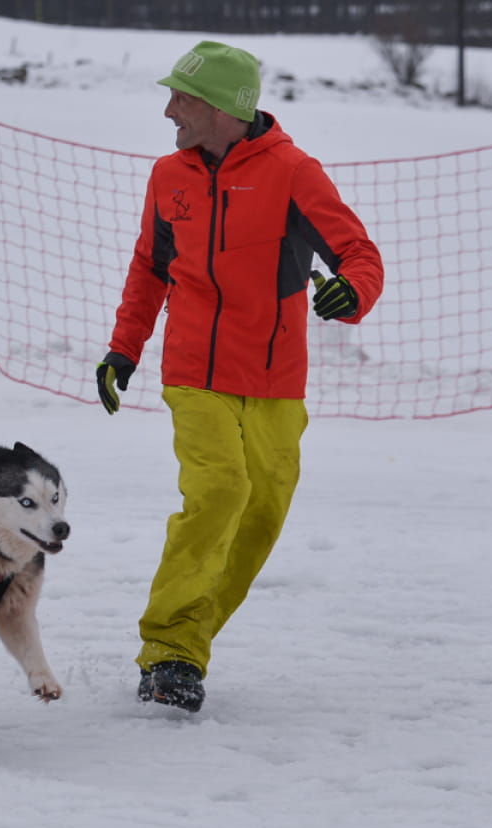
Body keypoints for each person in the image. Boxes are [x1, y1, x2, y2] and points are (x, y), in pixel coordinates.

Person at [95, 41, 384, 712]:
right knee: (221, 491)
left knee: (261, 514)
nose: (170, 111)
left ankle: (186, 645)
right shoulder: (169, 176)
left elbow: (358, 253)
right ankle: (170, 652)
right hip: (194, 372)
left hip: (276, 379)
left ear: (226, 108)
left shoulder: (293, 174)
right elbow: (149, 269)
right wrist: (123, 350)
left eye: (183, 99)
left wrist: (353, 291)